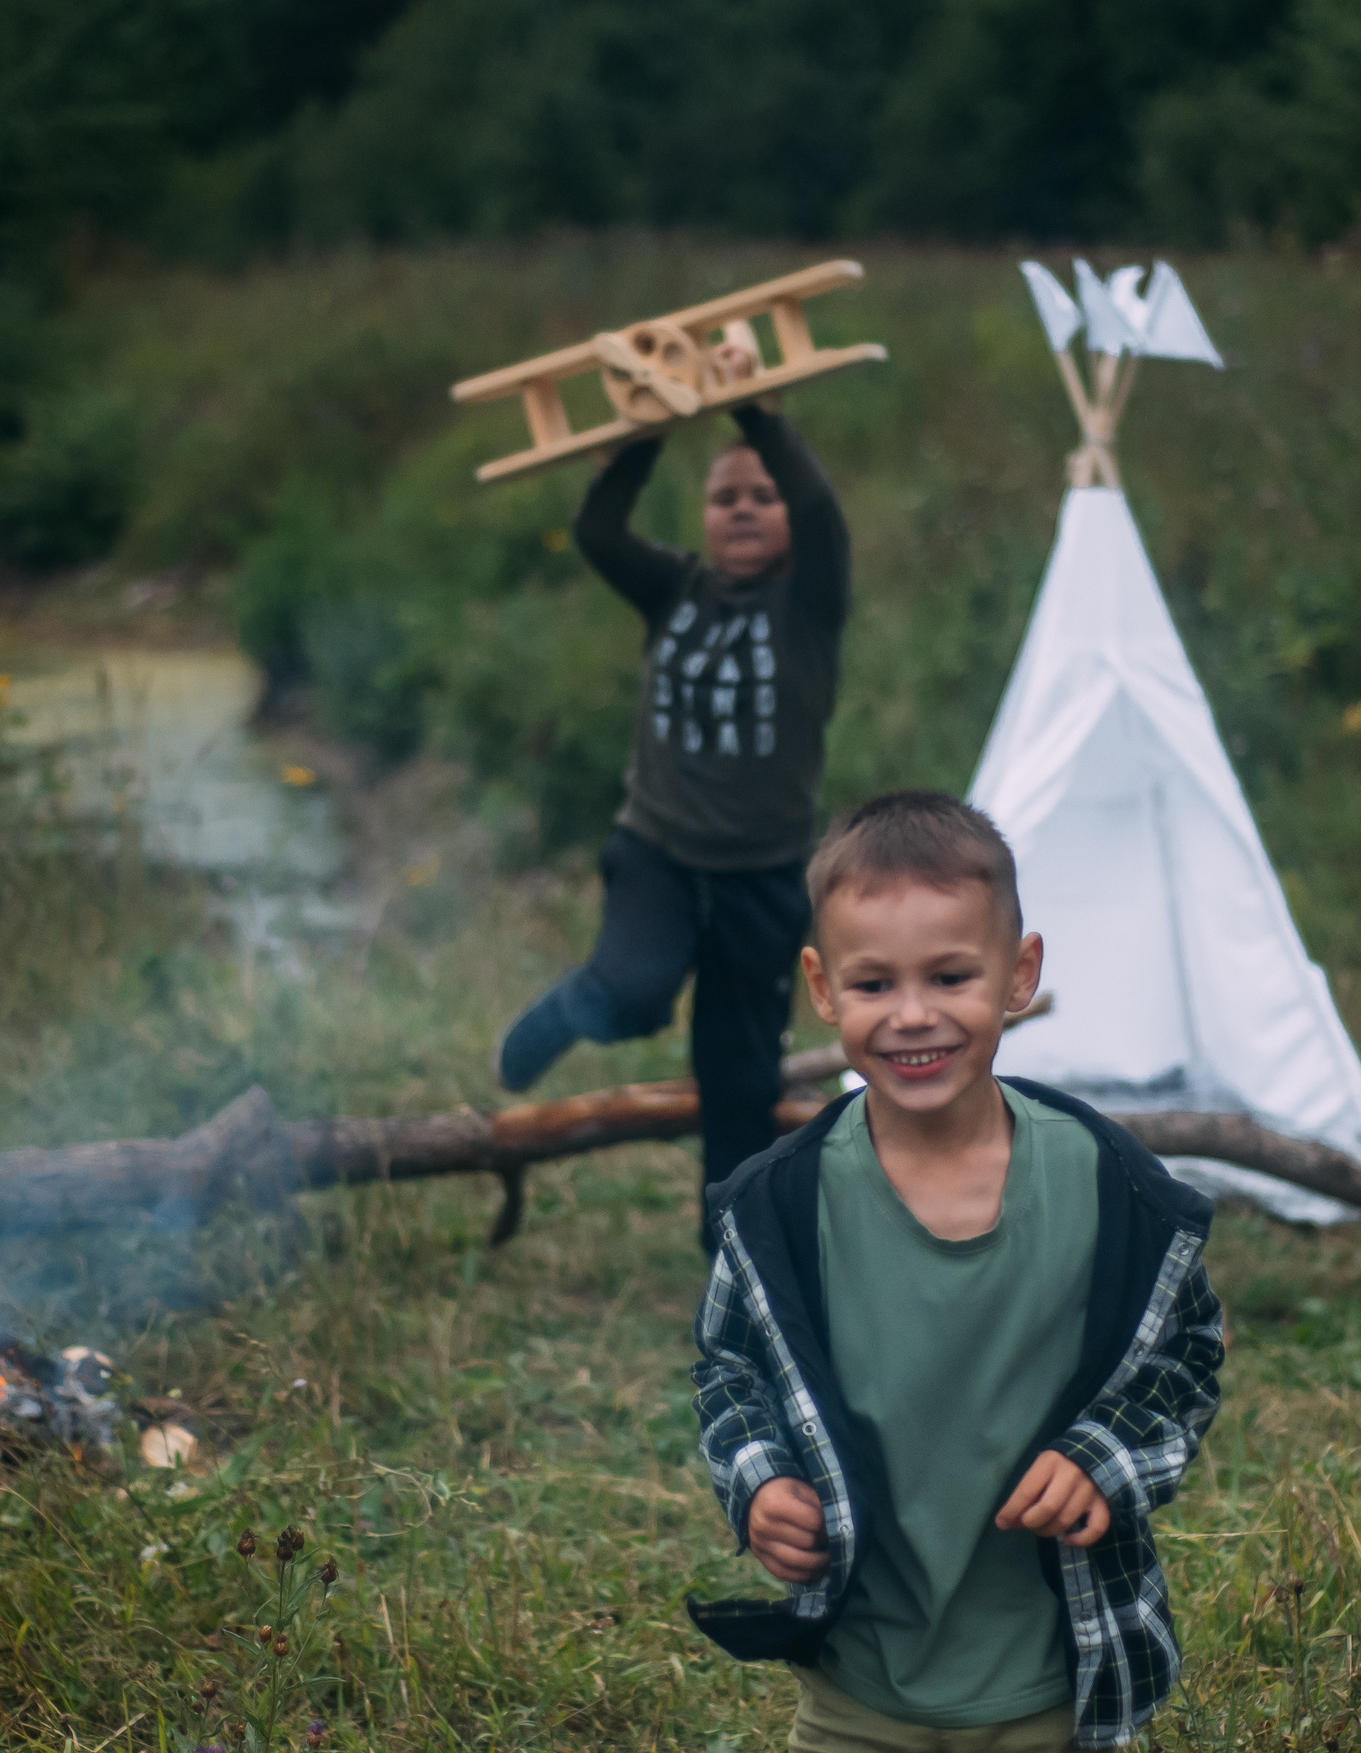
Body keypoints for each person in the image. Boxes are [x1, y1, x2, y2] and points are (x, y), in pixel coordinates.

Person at [685, 791, 1226, 1751]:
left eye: (949, 975)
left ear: (1019, 975)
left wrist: (1102, 1456)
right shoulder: (779, 1206)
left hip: (1054, 1679)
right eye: (873, 985)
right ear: (820, 987)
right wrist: (762, 1482)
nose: (913, 1016)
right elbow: (730, 1368)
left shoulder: (1111, 1186)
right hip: (859, 1683)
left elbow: (1186, 1357)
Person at [492, 386, 847, 1251]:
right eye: (726, 497)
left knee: (739, 1073)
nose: (745, 510)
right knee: (633, 990)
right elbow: (599, 534)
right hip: (658, 851)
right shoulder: (673, 588)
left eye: (763, 496)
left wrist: (761, 415)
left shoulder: (810, 603)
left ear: (788, 516)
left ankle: (727, 1244)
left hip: (763, 875)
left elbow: (826, 510)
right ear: (704, 516)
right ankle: (567, 1009)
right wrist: (644, 432)